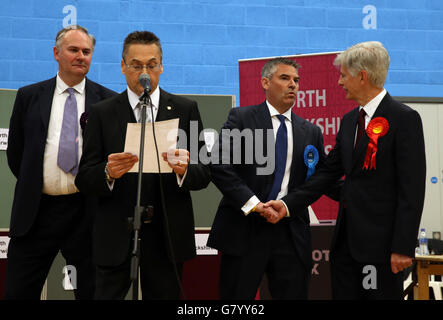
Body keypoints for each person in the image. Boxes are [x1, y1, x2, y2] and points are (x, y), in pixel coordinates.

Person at [266, 41, 426, 300]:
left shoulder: (404, 118)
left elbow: (413, 189)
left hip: (382, 250)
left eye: (343, 75)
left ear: (362, 76)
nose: (339, 82)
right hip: (345, 247)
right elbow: (327, 173)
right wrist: (286, 205)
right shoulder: (350, 120)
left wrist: (403, 247)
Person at [74, 31, 210, 300]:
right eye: (136, 65)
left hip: (167, 237)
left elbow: (204, 173)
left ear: (161, 66)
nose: (144, 72)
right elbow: (84, 177)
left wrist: (184, 170)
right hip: (115, 236)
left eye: (151, 65)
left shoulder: (185, 109)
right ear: (123, 66)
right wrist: (108, 173)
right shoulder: (102, 112)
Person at [207, 57, 338, 299]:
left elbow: (322, 178)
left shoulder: (310, 131)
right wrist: (253, 204)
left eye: (296, 80)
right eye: (285, 78)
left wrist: (365, 191)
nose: (293, 85)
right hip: (245, 228)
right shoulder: (241, 118)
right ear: (265, 83)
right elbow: (219, 164)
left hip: (290, 232)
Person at [5, 25, 116, 300]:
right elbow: (17, 155)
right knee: (19, 291)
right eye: (74, 50)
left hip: (86, 212)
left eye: (87, 51)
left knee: (92, 293)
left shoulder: (109, 102)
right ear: (56, 53)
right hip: (36, 212)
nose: (81, 56)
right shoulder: (28, 96)